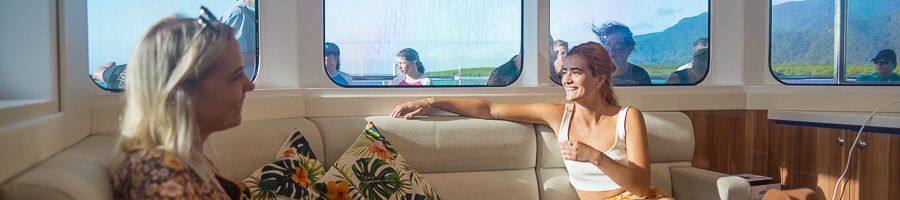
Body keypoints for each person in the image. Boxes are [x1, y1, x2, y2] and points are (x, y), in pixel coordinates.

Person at [390, 42, 672, 200]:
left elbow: (640, 187)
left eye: (576, 72)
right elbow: (491, 109)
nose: (567, 79)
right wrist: (430, 101)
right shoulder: (558, 114)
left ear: (599, 79)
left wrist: (595, 156)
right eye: (564, 72)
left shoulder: (628, 117)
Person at [110, 8, 255, 200]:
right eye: (236, 76)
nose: (250, 85)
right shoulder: (160, 176)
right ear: (182, 91)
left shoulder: (186, 161)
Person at [220, 0, 257, 79]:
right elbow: (232, 57)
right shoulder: (239, 14)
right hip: (241, 83)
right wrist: (265, 57)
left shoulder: (255, 15)